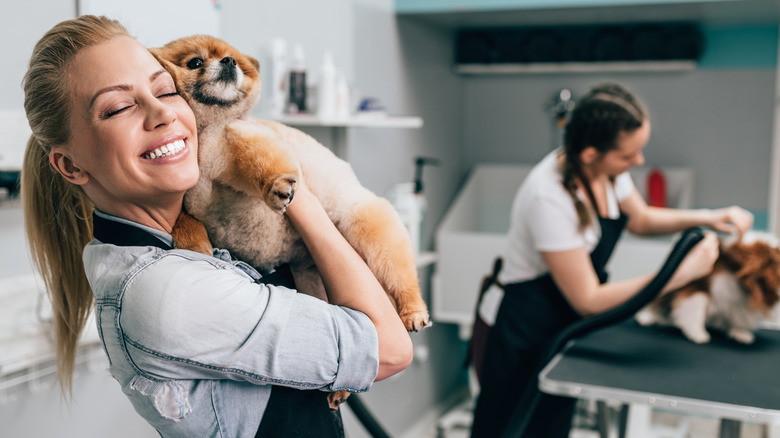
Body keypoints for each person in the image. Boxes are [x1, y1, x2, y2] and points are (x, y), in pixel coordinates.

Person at [21, 15, 412, 438]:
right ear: (70, 165)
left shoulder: (173, 245)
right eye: (118, 108)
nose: (162, 115)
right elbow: (388, 349)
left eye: (165, 90)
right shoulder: (166, 292)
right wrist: (303, 195)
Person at [470, 83, 753, 438]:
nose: (639, 161)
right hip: (521, 330)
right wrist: (678, 276)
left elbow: (642, 219)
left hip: (560, 326)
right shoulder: (548, 197)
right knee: (509, 428)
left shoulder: (607, 172)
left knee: (551, 426)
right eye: (628, 155)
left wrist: (708, 217)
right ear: (590, 153)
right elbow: (588, 300)